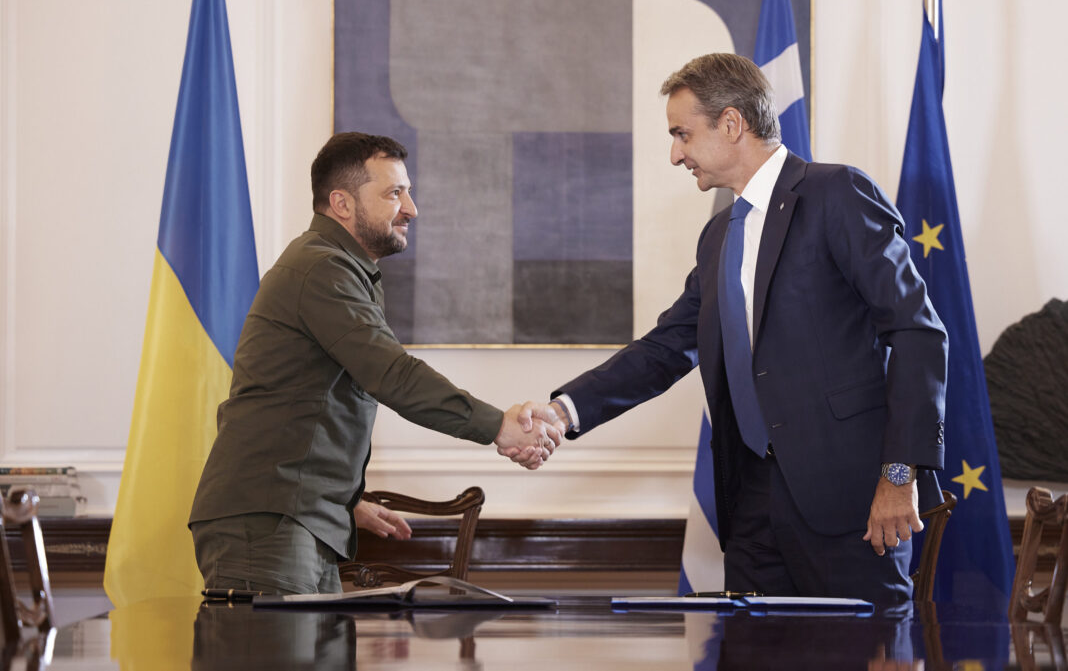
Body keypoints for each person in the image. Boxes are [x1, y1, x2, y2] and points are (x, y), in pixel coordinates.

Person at [520, 53, 948, 605]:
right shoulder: (720, 234)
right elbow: (666, 348)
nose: (675, 154)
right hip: (750, 506)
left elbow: (917, 332)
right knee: (749, 646)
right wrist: (562, 412)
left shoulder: (837, 194)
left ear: (730, 123)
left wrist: (898, 474)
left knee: (864, 647)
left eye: (682, 134)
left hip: (851, 502)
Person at [189, 132, 563, 595]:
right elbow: (393, 374)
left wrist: (344, 503)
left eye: (408, 191)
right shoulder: (321, 268)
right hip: (270, 524)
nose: (411, 208)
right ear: (342, 204)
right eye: (394, 193)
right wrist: (499, 426)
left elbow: (310, 409)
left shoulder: (339, 268)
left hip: (297, 519)